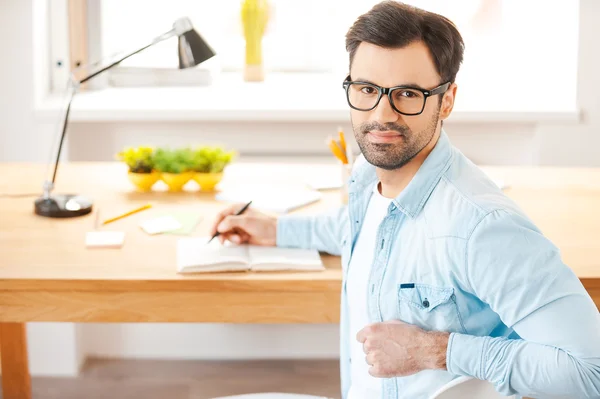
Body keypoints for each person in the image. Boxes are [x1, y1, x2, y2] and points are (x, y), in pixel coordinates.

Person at [210, 1, 600, 398]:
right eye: (367, 89)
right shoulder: (368, 178)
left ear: (446, 100)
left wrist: (438, 350)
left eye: (408, 94)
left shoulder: (482, 226)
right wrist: (276, 229)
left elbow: (590, 371)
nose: (382, 114)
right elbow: (368, 231)